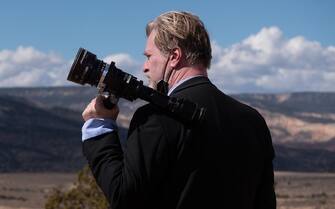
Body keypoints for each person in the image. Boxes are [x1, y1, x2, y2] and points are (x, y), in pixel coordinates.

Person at [81, 11, 276, 209]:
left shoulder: (155, 118)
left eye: (149, 57)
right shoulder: (253, 121)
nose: (145, 67)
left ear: (174, 56)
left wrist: (99, 128)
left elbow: (124, 198)